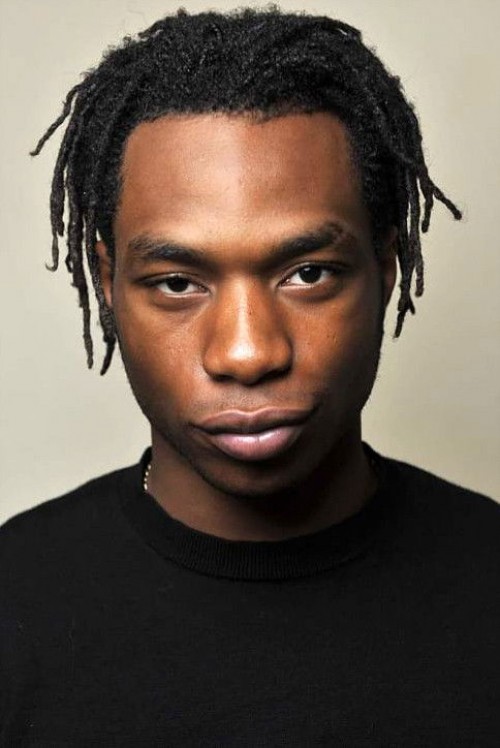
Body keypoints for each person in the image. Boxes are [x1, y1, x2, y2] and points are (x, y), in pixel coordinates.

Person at [1, 7, 499, 745]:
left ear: (387, 266)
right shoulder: (14, 604)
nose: (246, 352)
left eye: (308, 273)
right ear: (107, 284)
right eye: (178, 283)